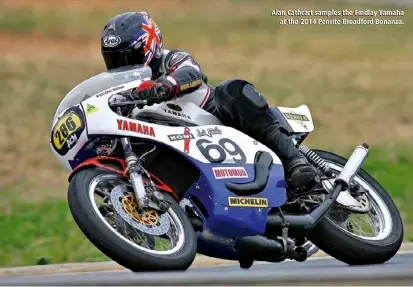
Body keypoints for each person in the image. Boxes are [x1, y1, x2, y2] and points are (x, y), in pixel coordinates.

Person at [100, 11, 318, 196]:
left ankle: (294, 160)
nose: (122, 66)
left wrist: (162, 87)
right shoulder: (125, 93)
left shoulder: (172, 59)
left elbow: (192, 73)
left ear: (150, 45)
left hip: (218, 119)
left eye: (128, 57)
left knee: (230, 90)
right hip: (187, 151)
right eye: (114, 59)